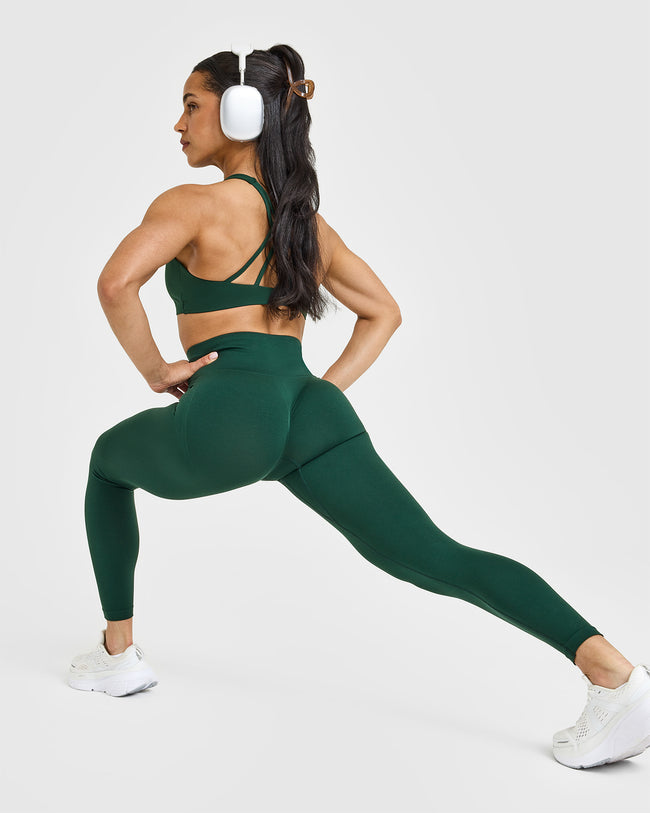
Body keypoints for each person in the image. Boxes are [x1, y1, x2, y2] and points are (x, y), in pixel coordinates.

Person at [67, 43, 650, 770]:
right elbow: (383, 311)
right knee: (435, 556)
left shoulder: (190, 204)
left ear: (241, 113)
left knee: (107, 464)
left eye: (191, 105)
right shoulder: (305, 224)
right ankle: (614, 675)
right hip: (307, 407)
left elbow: (115, 283)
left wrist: (158, 370)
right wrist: (313, 396)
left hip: (232, 410)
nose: (178, 124)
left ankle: (118, 654)